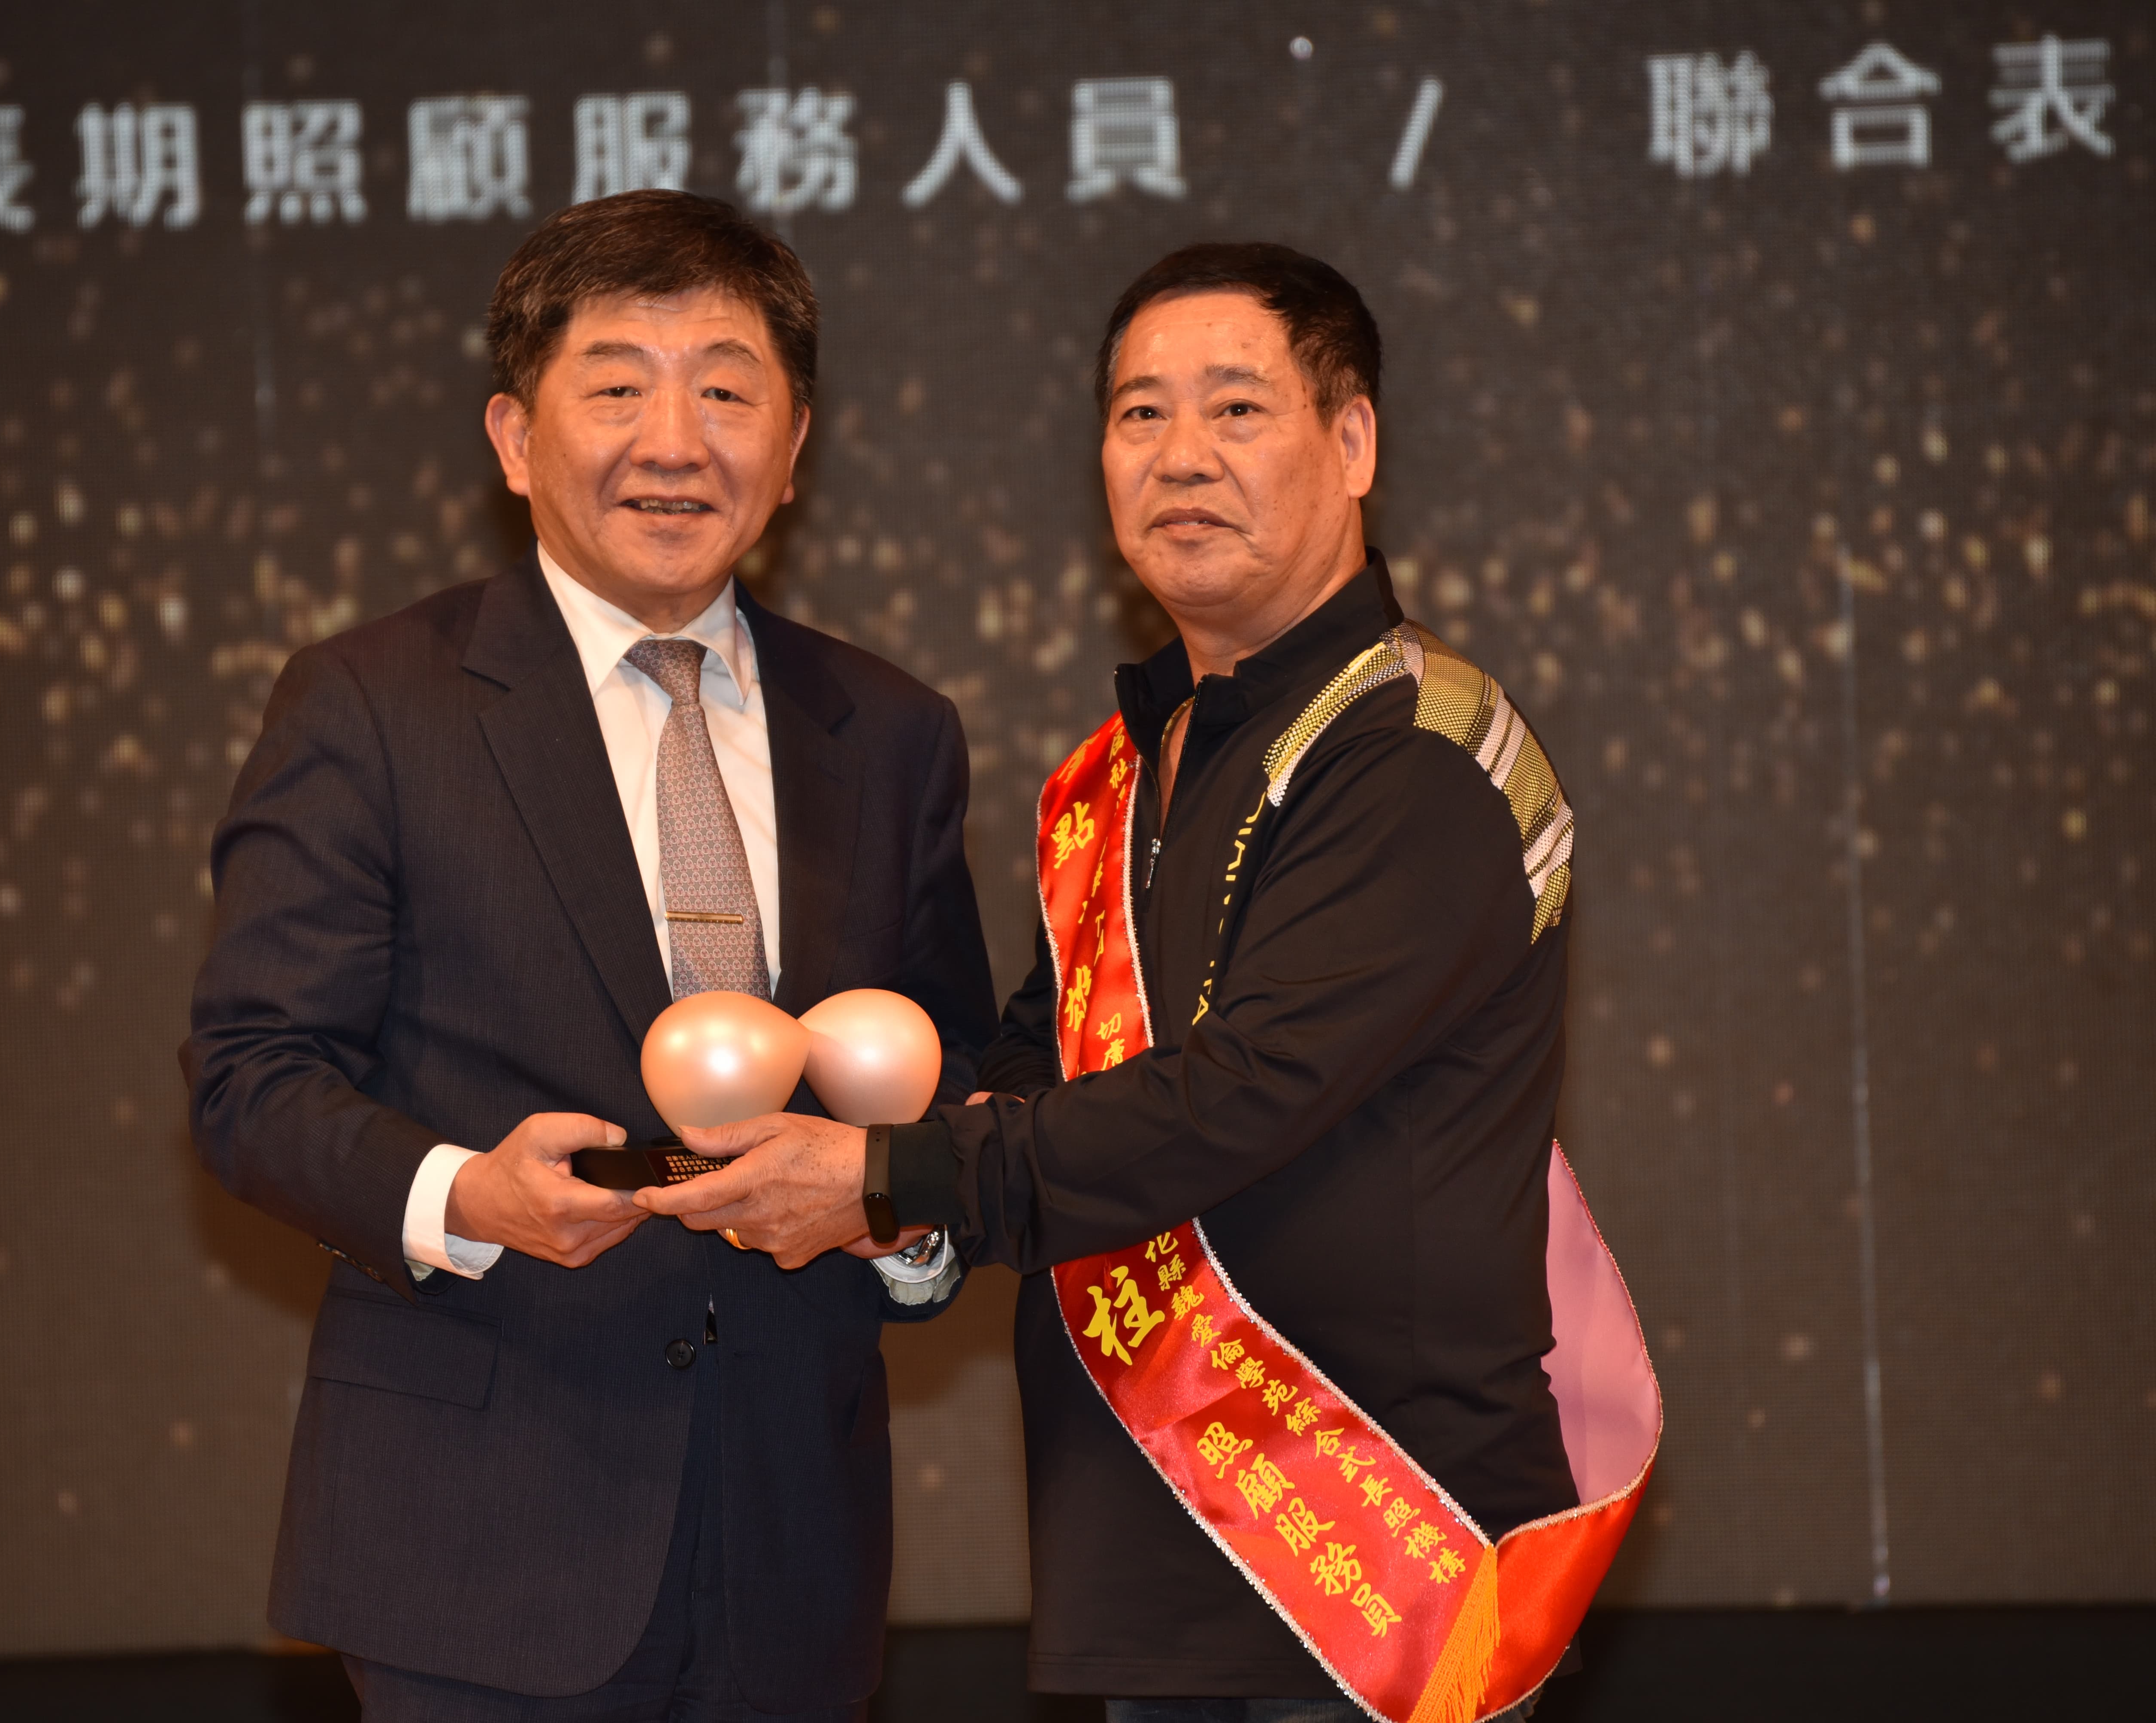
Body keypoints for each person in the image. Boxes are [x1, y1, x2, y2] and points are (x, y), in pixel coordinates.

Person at [643, 245, 1649, 1722]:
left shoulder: (1416, 752)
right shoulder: (1120, 776)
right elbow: (1038, 1065)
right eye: (1139, 415)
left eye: (1237, 409)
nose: (1181, 456)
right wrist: (892, 1173)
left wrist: (890, 1177)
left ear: (1353, 442)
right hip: (1157, 1557)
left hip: (1383, 1558)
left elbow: (1247, 1096)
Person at [182, 189, 995, 1723]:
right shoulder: (374, 704)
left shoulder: (891, 733)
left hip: (792, 1551)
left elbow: (945, 1071)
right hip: (479, 1538)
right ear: (514, 438)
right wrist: (465, 1196)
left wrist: (901, 1224)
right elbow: (250, 1079)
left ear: (795, 445)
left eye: (728, 392)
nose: (675, 442)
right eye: (617, 386)